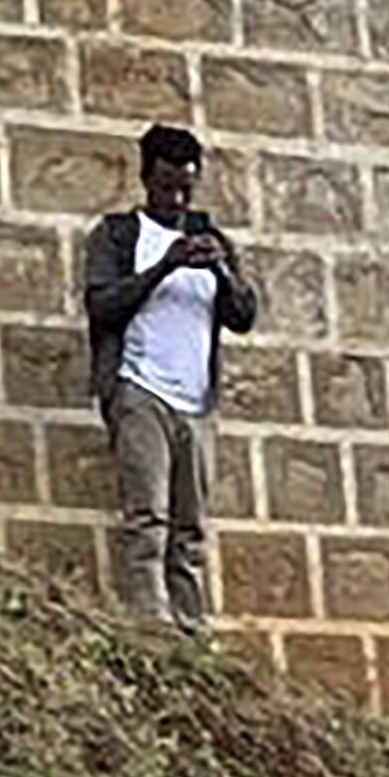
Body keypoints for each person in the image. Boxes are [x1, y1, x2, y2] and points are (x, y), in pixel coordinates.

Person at [75, 123, 264, 637]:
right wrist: (163, 267)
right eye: (165, 186)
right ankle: (149, 617)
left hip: (196, 402)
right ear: (145, 178)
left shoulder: (212, 238)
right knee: (147, 515)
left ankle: (191, 622)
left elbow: (243, 315)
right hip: (140, 390)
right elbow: (101, 305)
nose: (176, 197)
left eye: (185, 187)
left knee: (191, 526)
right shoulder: (118, 236)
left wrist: (221, 271)